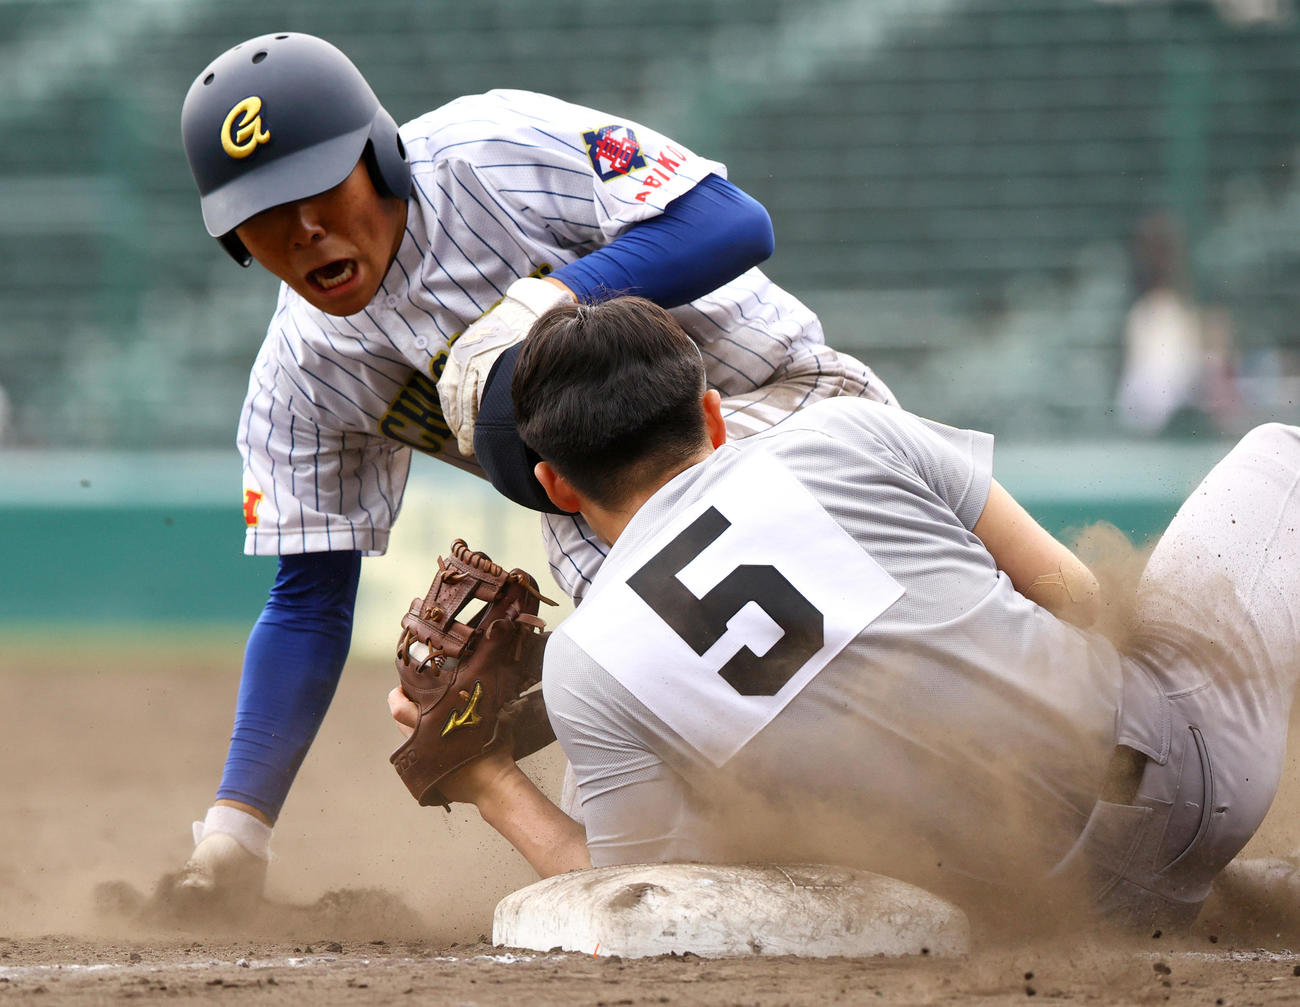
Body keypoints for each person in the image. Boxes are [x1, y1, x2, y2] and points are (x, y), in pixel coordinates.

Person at [173, 32, 894, 912]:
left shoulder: (491, 151)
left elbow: (734, 221)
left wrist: (550, 295)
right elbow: (307, 603)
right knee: (653, 849)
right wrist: (236, 829)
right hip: (622, 533)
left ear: (379, 156)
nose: (302, 228)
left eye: (318, 185)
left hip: (789, 406)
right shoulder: (302, 376)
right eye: (263, 211)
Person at [390, 295, 1300, 932]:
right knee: (1279, 451)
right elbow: (1077, 595)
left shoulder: (589, 660)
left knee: (631, 775)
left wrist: (489, 779)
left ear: (552, 484)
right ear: (713, 414)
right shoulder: (845, 428)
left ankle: (1171, 889)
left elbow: (637, 893)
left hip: (1033, 909)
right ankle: (1197, 875)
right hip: (1199, 777)